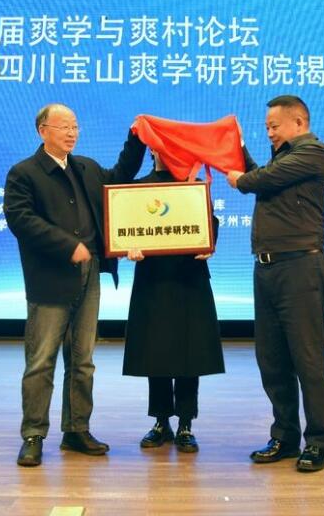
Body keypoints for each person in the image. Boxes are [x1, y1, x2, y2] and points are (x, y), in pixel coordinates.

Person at [4, 103, 146, 467]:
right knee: (41, 361)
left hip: (89, 274)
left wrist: (136, 139)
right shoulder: (24, 173)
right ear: (43, 131)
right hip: (50, 279)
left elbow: (120, 178)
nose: (72, 133)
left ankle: (77, 429)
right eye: (64, 126)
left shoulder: (86, 168)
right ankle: (33, 435)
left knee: (83, 360)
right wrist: (68, 246)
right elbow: (21, 220)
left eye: (75, 126)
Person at [225, 95, 324, 473]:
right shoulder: (282, 159)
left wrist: (241, 179)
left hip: (301, 268)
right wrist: (237, 146)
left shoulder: (314, 152)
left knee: (307, 360)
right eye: (266, 127)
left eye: (274, 126)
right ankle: (284, 437)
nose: (269, 133)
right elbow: (263, 177)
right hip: (267, 270)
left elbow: (260, 180)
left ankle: (318, 442)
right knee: (272, 360)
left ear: (299, 123)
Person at [122, 152, 224, 453]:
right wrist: (127, 246)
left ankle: (186, 423)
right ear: (152, 150)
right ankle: (161, 421)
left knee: (189, 351)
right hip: (153, 279)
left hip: (189, 277)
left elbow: (209, 223)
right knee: (156, 351)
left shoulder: (193, 187)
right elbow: (126, 227)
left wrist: (210, 243)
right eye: (161, 147)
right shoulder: (137, 189)